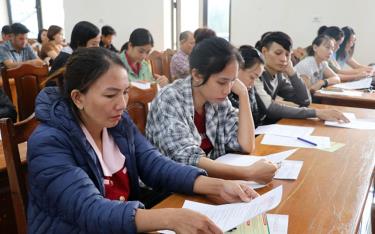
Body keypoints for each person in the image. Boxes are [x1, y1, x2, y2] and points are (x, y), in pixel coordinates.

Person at [28, 47, 258, 233]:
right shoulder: (49, 142)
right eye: (110, 95)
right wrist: (169, 218)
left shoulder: (117, 124)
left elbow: (155, 164)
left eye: (125, 92)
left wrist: (217, 185)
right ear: (78, 98)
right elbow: (89, 210)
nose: (122, 104)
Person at [146, 37, 277, 184]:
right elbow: (188, 159)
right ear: (196, 75)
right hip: (173, 188)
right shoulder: (170, 98)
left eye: (232, 81)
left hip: (211, 181)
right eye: (222, 82)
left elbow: (246, 145)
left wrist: (243, 94)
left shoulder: (217, 99)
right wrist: (248, 173)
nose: (228, 90)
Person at [254, 31, 349, 124]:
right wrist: (316, 113)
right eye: (278, 53)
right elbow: (271, 108)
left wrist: (292, 71)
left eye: (287, 55)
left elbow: (305, 100)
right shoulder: (255, 75)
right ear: (264, 52)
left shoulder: (278, 76)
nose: (284, 59)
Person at [47, 21, 100, 86]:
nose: (98, 47)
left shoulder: (79, 55)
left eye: (98, 43)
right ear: (80, 43)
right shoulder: (67, 59)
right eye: (94, 44)